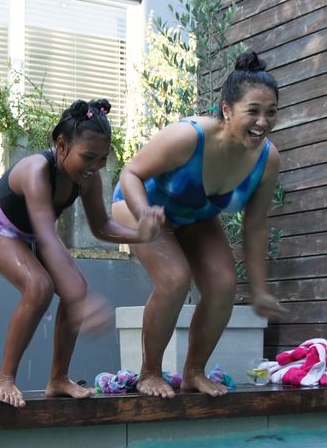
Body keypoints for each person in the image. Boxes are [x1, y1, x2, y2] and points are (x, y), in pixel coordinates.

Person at [0, 99, 165, 408]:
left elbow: (101, 226)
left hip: (30, 230)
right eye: (89, 157)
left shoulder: (88, 179)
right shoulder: (36, 170)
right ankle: (4, 379)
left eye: (103, 159)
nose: (96, 166)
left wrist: (140, 234)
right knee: (38, 286)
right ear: (62, 145)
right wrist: (79, 298)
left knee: (77, 290)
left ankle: (57, 379)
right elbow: (46, 235)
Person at [112, 51, 289, 398]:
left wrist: (260, 288)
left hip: (195, 213)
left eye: (271, 112)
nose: (263, 121)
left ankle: (194, 372)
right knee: (175, 279)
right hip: (141, 205)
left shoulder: (268, 159)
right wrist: (144, 213)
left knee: (223, 284)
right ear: (226, 110)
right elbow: (130, 173)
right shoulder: (188, 137)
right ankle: (149, 373)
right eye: (253, 111)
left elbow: (255, 226)